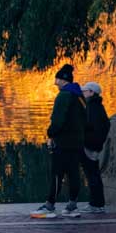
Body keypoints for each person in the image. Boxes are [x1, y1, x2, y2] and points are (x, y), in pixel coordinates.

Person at [32, 63, 86, 218]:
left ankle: (50, 205)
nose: (55, 84)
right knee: (74, 173)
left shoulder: (63, 96)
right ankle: (72, 205)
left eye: (57, 80)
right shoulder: (79, 95)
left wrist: (51, 133)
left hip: (62, 142)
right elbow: (85, 118)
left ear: (64, 80)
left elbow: (58, 120)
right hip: (77, 142)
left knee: (57, 173)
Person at [79, 81, 110, 214]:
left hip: (90, 146)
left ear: (92, 92)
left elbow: (92, 127)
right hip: (95, 145)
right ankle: (96, 203)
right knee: (93, 174)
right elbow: (106, 125)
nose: (83, 93)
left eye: (85, 91)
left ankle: (96, 204)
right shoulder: (97, 106)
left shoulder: (92, 107)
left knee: (92, 175)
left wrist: (87, 141)